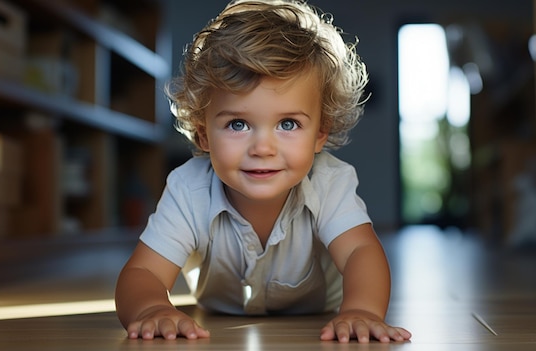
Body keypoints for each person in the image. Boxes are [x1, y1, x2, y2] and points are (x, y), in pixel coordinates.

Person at [115, 0, 412, 344]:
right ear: (202, 133)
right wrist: (150, 307)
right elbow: (143, 271)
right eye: (238, 124)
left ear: (320, 132)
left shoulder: (329, 181)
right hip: (218, 312)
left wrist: (362, 309)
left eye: (288, 123)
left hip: (318, 311)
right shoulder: (188, 188)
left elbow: (361, 251)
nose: (263, 148)